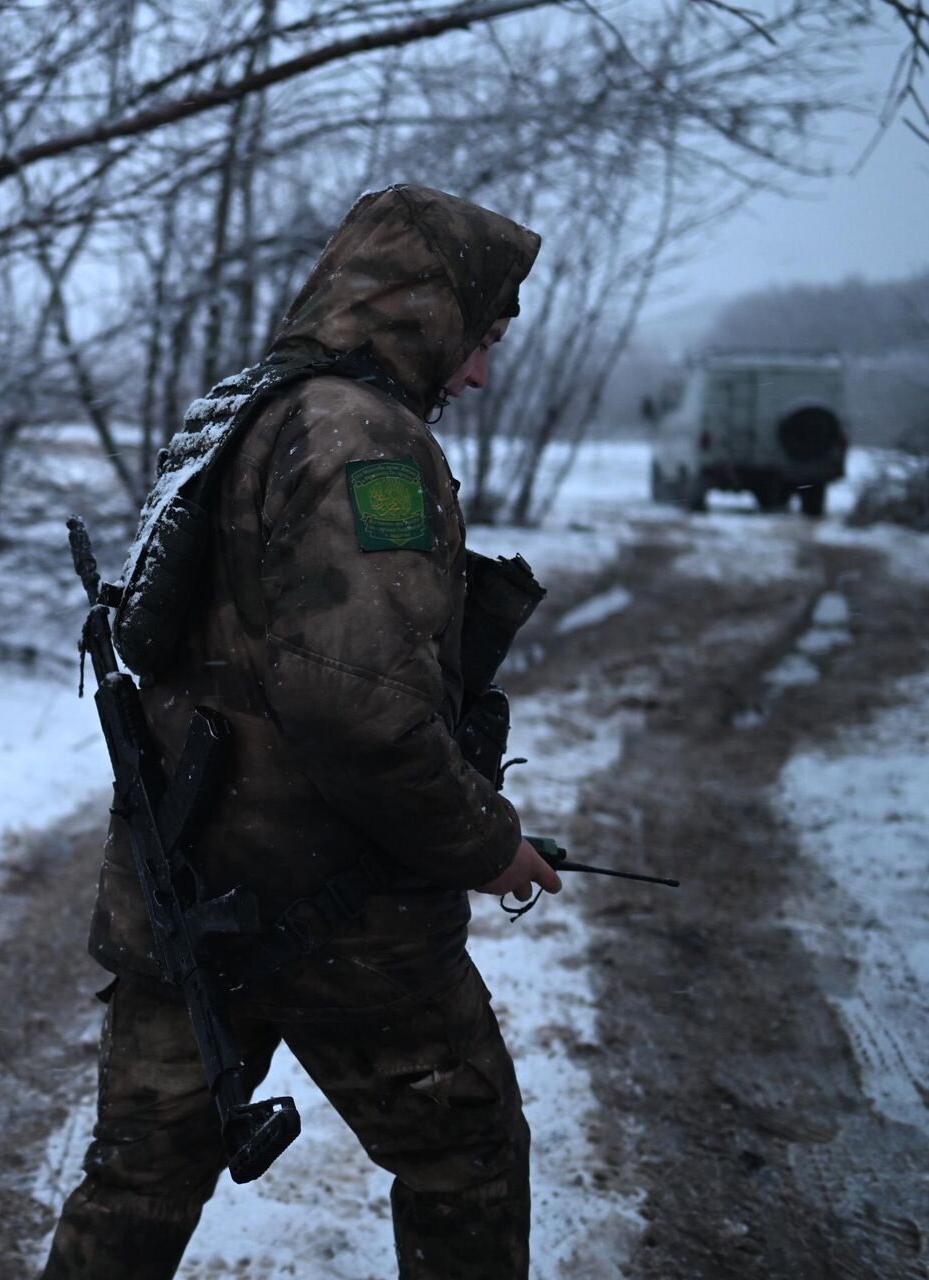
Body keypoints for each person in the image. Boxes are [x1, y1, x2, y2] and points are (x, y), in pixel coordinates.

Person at [41, 184, 560, 1280]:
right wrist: (486, 840)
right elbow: (357, 705)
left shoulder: (248, 406)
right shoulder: (364, 439)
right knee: (465, 1159)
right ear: (425, 313)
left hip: (185, 893)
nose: (475, 372)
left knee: (132, 1186)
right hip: (343, 924)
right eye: (480, 338)